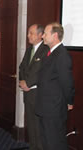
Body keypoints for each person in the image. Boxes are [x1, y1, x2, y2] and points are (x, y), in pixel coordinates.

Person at [35, 22, 75, 150]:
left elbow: (67, 82)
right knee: (47, 141)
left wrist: (69, 101)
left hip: (54, 109)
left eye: (46, 34)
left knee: (55, 143)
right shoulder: (50, 53)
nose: (43, 37)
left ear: (55, 35)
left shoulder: (62, 55)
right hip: (45, 106)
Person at [19, 24, 49, 150]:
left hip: (38, 94)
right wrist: (22, 81)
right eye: (28, 33)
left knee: (39, 126)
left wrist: (28, 83)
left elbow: (40, 70)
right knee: (31, 125)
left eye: (31, 33)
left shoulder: (45, 50)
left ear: (40, 35)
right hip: (28, 94)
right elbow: (22, 67)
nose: (28, 36)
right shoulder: (29, 49)